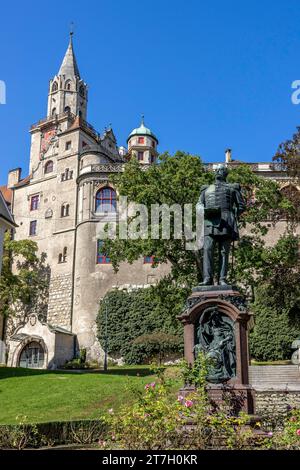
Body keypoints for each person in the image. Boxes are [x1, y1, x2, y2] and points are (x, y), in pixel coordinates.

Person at [197, 164, 245, 286]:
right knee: (207, 250)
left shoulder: (232, 189)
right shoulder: (206, 189)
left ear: (225, 173)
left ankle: (222, 279)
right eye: (217, 170)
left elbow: (241, 206)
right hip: (209, 222)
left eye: (221, 170)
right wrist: (202, 209)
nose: (218, 171)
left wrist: (234, 214)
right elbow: (199, 204)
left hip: (226, 222)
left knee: (224, 252)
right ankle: (207, 279)